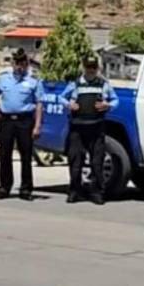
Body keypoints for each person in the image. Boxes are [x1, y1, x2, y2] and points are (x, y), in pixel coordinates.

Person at [59, 56, 118, 205]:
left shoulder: (103, 84)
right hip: (77, 128)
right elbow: (60, 97)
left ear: (97, 68)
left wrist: (107, 105)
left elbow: (115, 100)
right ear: (84, 68)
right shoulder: (75, 84)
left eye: (93, 67)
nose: (91, 70)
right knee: (75, 161)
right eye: (88, 67)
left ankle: (96, 192)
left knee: (97, 162)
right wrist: (69, 105)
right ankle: (74, 191)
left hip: (96, 127)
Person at [0, 48, 43, 201]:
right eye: (17, 63)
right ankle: (4, 187)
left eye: (22, 63)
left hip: (25, 120)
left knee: (26, 156)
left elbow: (39, 104)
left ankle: (26, 189)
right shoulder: (4, 78)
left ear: (26, 64)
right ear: (13, 63)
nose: (20, 66)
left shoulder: (33, 81)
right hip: (6, 120)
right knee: (5, 155)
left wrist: (37, 125)